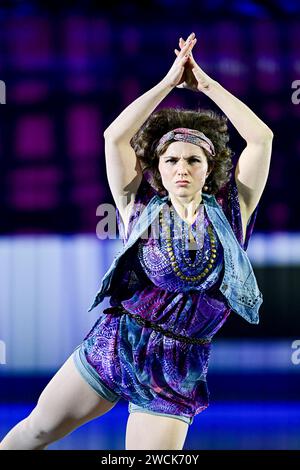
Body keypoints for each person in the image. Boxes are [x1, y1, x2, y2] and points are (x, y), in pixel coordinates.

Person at [0, 32, 273, 451]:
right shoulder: (136, 206)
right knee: (35, 431)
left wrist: (206, 85)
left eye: (193, 160)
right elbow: (114, 137)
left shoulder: (235, 212)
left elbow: (261, 139)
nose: (181, 167)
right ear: (158, 168)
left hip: (177, 363)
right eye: (171, 160)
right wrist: (167, 83)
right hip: (117, 341)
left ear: (208, 167)